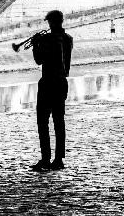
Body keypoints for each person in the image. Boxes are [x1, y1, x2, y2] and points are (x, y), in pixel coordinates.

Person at [30, 10, 73, 171]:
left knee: (43, 122)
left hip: (48, 83)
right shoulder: (69, 39)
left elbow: (39, 60)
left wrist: (35, 44)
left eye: (49, 22)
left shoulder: (47, 39)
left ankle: (45, 158)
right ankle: (59, 159)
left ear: (51, 22)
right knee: (59, 122)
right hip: (62, 83)